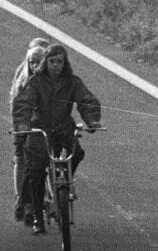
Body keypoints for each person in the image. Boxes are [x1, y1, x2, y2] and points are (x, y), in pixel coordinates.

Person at [12, 43, 102, 234]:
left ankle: (64, 181)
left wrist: (92, 120)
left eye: (59, 62)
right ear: (46, 62)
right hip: (40, 130)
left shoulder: (72, 82)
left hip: (63, 128)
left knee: (77, 153)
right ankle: (37, 216)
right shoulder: (35, 82)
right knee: (35, 171)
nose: (56, 65)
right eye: (52, 61)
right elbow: (23, 104)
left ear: (65, 63)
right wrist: (22, 125)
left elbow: (86, 100)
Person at [9, 38, 51, 223]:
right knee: (23, 158)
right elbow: (17, 105)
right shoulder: (22, 77)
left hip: (45, 124)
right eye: (32, 61)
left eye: (39, 61)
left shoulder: (54, 76)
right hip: (24, 124)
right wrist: (21, 127)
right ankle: (23, 201)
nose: (35, 65)